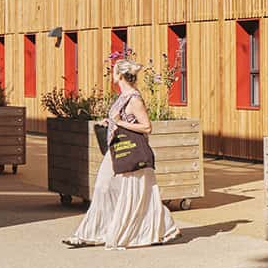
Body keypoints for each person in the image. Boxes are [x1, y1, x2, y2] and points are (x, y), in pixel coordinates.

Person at [63, 59, 180, 250]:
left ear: (120, 75)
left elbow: (147, 127)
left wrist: (120, 123)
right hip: (116, 147)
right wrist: (109, 122)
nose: (111, 74)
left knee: (138, 191)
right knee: (102, 186)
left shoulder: (134, 99)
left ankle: (163, 229)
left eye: (113, 71)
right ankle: (89, 233)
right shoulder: (122, 96)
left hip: (130, 150)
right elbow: (119, 119)